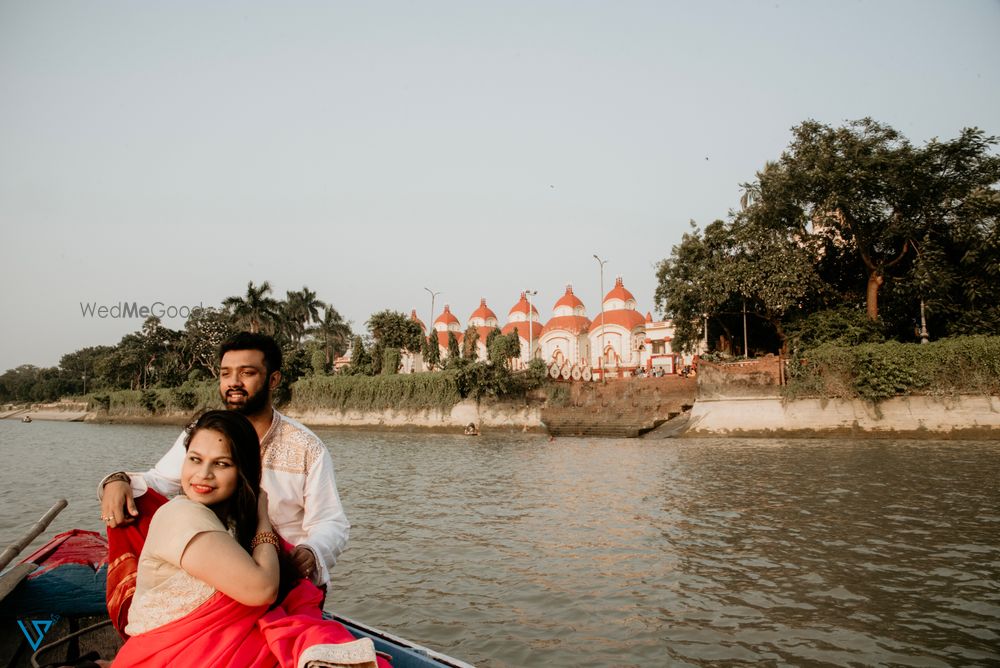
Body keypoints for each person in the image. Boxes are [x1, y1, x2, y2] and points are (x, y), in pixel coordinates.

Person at [111, 411, 385, 668]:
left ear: (243, 472)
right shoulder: (180, 513)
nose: (203, 474)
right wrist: (263, 517)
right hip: (169, 656)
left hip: (205, 648)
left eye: (221, 464)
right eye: (195, 459)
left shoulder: (230, 520)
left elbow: (331, 523)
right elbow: (261, 590)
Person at [99, 332, 349, 589]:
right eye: (225, 373)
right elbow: (159, 482)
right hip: (219, 571)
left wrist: (310, 552)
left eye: (247, 373)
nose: (234, 382)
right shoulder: (205, 432)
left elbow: (331, 522)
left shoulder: (306, 446)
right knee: (135, 503)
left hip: (283, 574)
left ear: (273, 380)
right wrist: (118, 480)